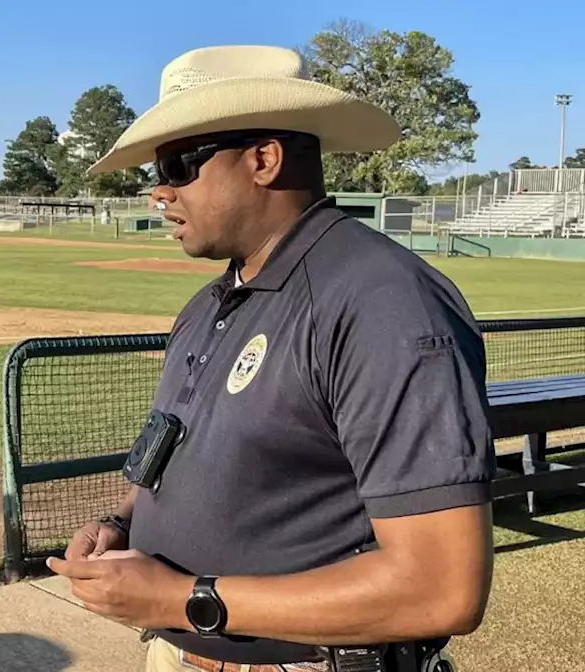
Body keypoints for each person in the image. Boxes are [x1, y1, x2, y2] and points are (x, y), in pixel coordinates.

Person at [46, 45, 495, 671]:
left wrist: (185, 600)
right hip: (175, 651)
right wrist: (119, 523)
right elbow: (179, 455)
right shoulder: (212, 303)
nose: (159, 191)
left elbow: (442, 588)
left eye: (179, 164)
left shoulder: (382, 303)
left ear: (263, 159)